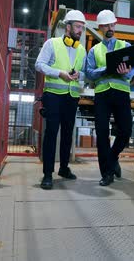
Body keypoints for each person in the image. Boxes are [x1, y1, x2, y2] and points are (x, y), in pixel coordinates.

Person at [35, 10, 87, 190]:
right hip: (53, 96)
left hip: (71, 98)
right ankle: (47, 174)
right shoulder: (52, 44)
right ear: (68, 26)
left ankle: (64, 168)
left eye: (82, 27)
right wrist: (60, 73)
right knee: (51, 134)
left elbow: (85, 74)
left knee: (67, 134)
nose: (81, 30)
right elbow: (39, 64)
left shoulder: (81, 50)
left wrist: (81, 75)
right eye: (78, 26)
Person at [85, 10, 134, 186]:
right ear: (100, 27)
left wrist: (128, 72)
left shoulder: (125, 45)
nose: (110, 28)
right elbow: (90, 73)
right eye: (106, 25)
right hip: (102, 95)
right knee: (102, 134)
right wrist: (106, 69)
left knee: (126, 130)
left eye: (112, 25)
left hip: (121, 92)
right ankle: (107, 173)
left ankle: (113, 157)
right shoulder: (94, 51)